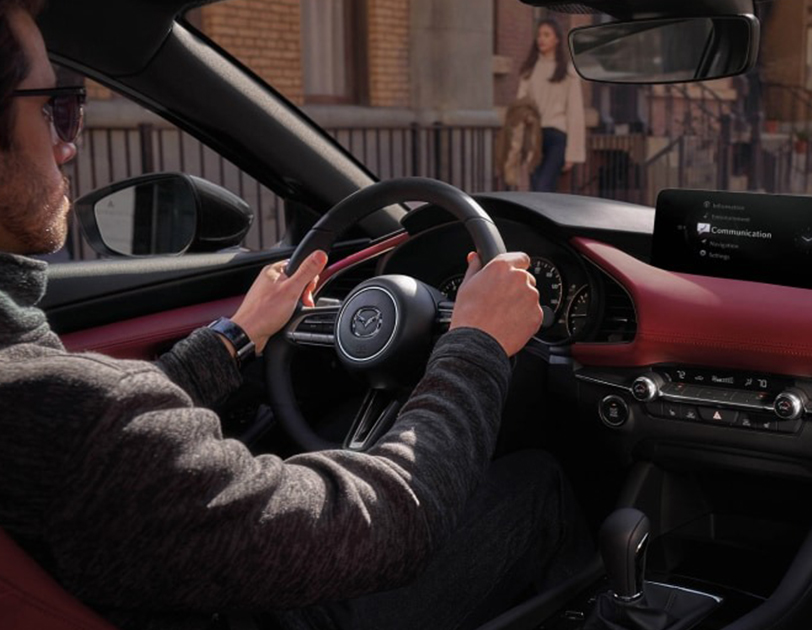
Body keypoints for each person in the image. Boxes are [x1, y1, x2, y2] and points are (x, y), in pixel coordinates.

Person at [0, 2, 591, 629]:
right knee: (539, 481)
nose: (68, 143)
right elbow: (393, 523)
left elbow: (119, 458)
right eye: (54, 106)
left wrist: (236, 336)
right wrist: (475, 343)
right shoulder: (67, 419)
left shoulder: (47, 403)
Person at [517, 18, 586, 193]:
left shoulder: (568, 72)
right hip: (534, 137)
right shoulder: (529, 71)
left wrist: (573, 153)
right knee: (536, 189)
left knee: (543, 186)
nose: (541, 39)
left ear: (556, 39)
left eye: (546, 35)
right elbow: (520, 107)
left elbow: (575, 113)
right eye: (539, 35)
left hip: (557, 137)